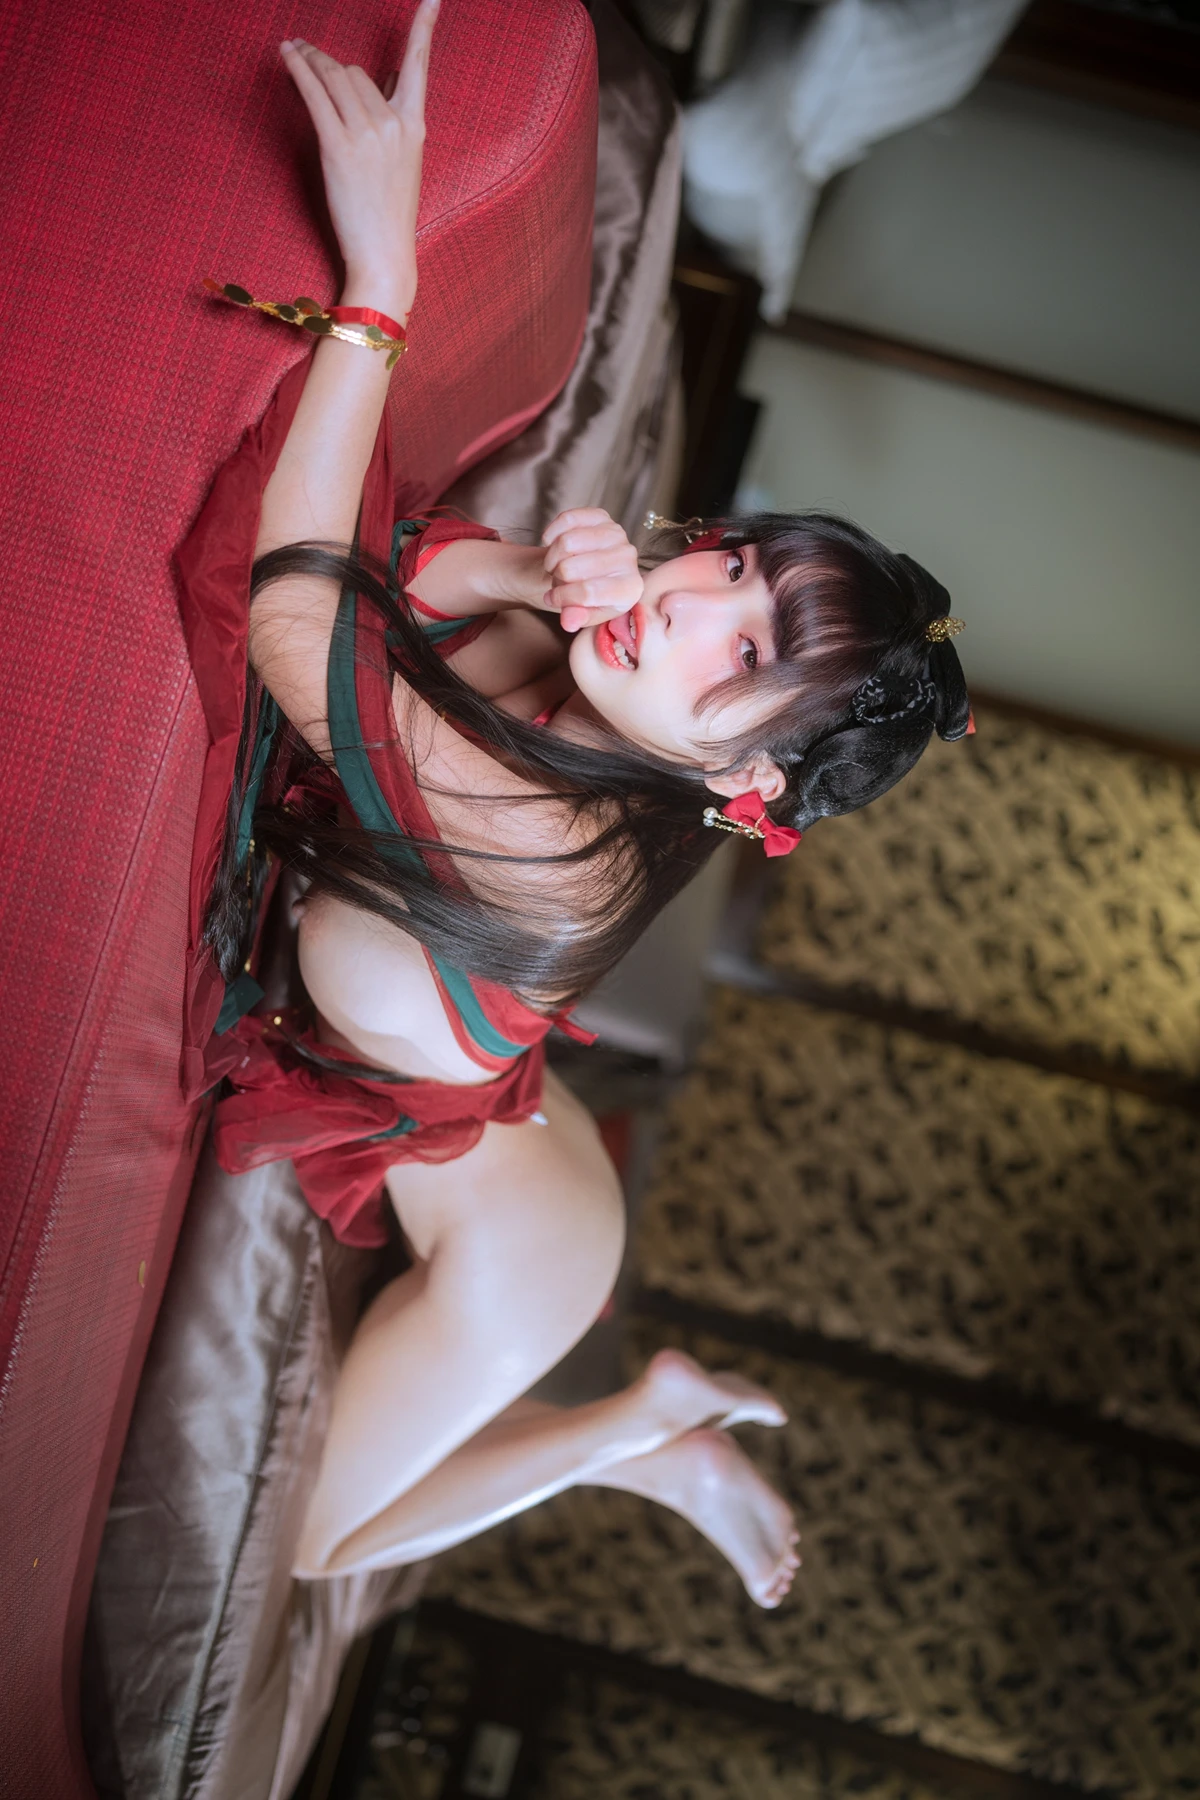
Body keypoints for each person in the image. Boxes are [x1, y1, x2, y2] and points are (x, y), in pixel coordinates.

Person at [189, 1, 969, 1610]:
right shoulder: (612, 680)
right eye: (735, 561)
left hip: (532, 1251)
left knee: (319, 1549)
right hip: (516, 1138)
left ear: (748, 782)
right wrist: (524, 574)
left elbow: (297, 618)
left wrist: (381, 287)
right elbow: (402, 569)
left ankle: (634, 1431)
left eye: (744, 649)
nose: (689, 594)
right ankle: (649, 1433)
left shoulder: (556, 847)